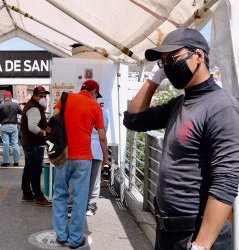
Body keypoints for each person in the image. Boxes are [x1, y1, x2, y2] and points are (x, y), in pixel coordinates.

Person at [123, 28, 239, 250]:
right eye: (163, 62)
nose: (168, 66)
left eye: (173, 58)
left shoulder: (222, 107)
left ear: (199, 55)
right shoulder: (180, 103)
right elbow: (133, 120)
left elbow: (226, 180)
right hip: (169, 230)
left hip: (196, 233)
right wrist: (155, 77)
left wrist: (201, 245)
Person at [52, 80, 110, 249]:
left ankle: (61, 236)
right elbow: (102, 136)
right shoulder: (95, 107)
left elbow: (53, 121)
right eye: (96, 95)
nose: (95, 98)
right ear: (93, 92)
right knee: (80, 198)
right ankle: (76, 239)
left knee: (59, 195)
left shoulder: (65, 98)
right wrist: (105, 159)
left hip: (63, 155)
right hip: (83, 158)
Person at [20, 86, 51, 206]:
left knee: (29, 168)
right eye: (41, 96)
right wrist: (45, 133)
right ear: (34, 96)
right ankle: (38, 195)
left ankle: (27, 193)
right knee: (36, 169)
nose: (43, 98)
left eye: (44, 96)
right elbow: (32, 127)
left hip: (30, 142)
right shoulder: (34, 108)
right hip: (33, 144)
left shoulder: (33, 106)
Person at [86, 105, 109, 216]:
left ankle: (75, 206)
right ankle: (90, 207)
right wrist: (106, 158)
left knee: (80, 178)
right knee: (94, 180)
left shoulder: (81, 108)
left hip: (82, 148)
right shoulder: (103, 111)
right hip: (96, 149)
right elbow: (103, 134)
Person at [0, 91, 22, 166]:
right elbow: (22, 112)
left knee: (6, 144)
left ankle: (6, 162)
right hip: (14, 125)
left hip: (4, 126)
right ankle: (16, 161)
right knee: (15, 144)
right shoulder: (16, 105)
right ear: (11, 96)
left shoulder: (1, 105)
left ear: (4, 97)